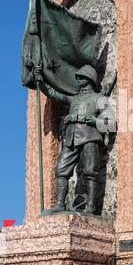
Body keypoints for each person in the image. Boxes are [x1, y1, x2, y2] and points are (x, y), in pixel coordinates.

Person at [34, 65, 109, 215]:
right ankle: (60, 204)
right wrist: (40, 80)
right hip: (71, 138)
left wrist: (93, 120)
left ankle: (90, 207)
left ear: (89, 79)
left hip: (89, 137)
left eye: (81, 77)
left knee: (90, 171)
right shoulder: (74, 98)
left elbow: (110, 122)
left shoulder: (99, 98)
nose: (77, 79)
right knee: (61, 170)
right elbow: (53, 93)